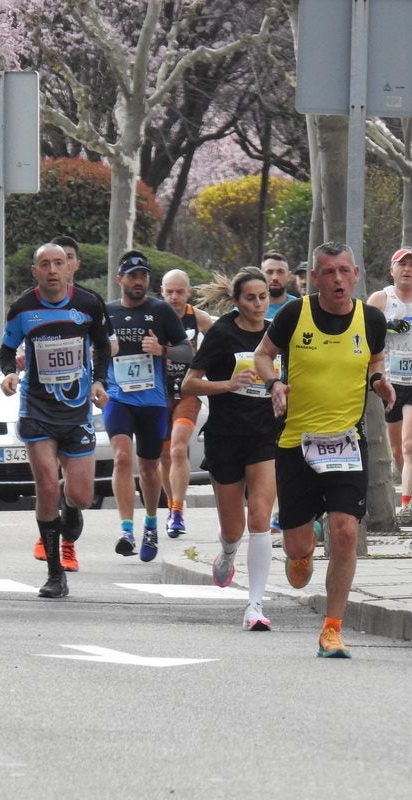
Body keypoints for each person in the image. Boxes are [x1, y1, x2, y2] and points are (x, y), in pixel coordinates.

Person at [254, 241, 394, 658]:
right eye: (328, 272)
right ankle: (298, 550)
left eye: (344, 271)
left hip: (346, 443)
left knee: (346, 531)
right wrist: (274, 384)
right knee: (299, 557)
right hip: (295, 442)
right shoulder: (296, 315)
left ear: (355, 275)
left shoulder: (370, 319)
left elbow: (375, 359)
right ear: (314, 278)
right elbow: (263, 356)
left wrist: (380, 380)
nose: (337, 280)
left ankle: (332, 629)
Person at [0, 243, 112, 599]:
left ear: (69, 268)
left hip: (76, 410)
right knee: (46, 486)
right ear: (35, 271)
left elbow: (103, 346)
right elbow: (6, 349)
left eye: (58, 263)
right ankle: (54, 575)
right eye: (44, 264)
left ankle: (71, 510)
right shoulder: (23, 309)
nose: (52, 270)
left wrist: (99, 380)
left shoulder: (88, 304)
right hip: (36, 409)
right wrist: (7, 373)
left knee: (80, 494)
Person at [182, 268, 279, 631]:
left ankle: (255, 605)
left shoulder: (275, 334)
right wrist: (229, 383)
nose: (258, 304)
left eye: (263, 296)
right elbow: (190, 384)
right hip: (225, 437)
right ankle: (226, 552)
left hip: (264, 435)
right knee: (233, 528)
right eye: (251, 298)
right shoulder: (223, 332)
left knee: (260, 521)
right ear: (237, 301)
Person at [104, 251, 192, 562]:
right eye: (132, 276)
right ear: (120, 280)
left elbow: (187, 352)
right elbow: (93, 352)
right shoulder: (107, 312)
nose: (138, 282)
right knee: (121, 458)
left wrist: (162, 349)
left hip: (153, 402)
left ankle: (152, 523)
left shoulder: (161, 311)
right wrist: (97, 382)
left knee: (150, 468)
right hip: (119, 399)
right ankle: (127, 529)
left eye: (143, 276)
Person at [367, 247, 412, 507]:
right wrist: (386, 327)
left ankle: (408, 503)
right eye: (401, 265)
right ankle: (408, 482)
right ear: (392, 270)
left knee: (409, 447)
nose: (407, 269)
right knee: (396, 451)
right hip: (388, 383)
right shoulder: (380, 300)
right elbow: (362, 331)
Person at [159, 269, 213, 538]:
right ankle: (171, 505)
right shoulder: (154, 314)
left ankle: (178, 512)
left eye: (180, 291)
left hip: (187, 392)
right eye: (169, 291)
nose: (174, 297)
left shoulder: (198, 318)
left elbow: (221, 339)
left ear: (188, 292)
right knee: (164, 453)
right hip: (157, 395)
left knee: (179, 448)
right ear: (161, 292)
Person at [262, 252, 299, 318]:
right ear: (261, 275)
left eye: (280, 272)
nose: (275, 277)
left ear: (289, 276)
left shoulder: (299, 307)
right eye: (269, 272)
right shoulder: (248, 308)